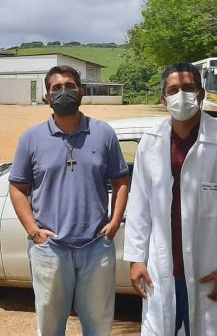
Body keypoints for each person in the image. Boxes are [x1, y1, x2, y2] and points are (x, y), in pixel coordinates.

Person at [123, 63, 217, 336]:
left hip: (211, 270)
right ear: (163, 98)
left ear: (201, 94)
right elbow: (139, 204)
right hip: (163, 271)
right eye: (173, 90)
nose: (180, 95)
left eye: (188, 88)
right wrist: (136, 259)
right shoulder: (151, 142)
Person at [9, 65, 130, 336]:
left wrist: (113, 224)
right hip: (50, 248)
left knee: (98, 324)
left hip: (97, 246)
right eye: (56, 88)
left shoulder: (104, 134)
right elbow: (17, 187)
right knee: (50, 325)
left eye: (70, 86)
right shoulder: (31, 138)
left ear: (82, 92)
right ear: (47, 97)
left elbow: (121, 181)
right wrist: (33, 231)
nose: (64, 91)